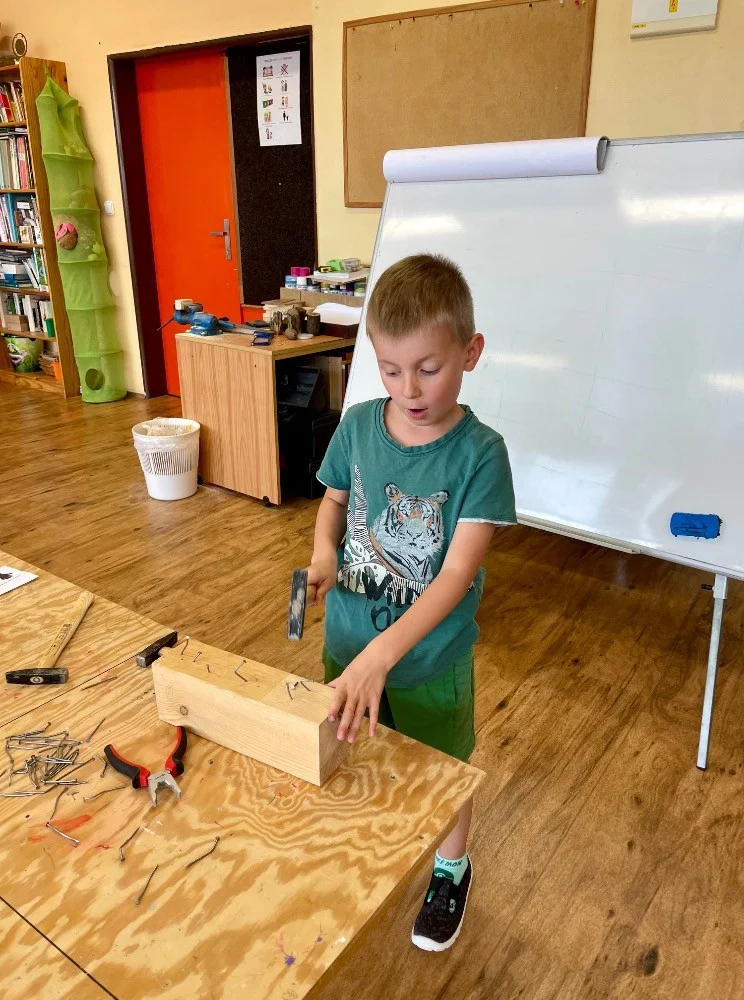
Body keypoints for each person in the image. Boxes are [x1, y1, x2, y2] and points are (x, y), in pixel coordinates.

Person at [306, 252, 516, 951]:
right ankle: (368, 838)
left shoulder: (481, 454)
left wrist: (383, 656)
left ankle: (451, 870)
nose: (409, 389)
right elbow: (334, 504)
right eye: (391, 370)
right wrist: (323, 554)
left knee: (442, 772)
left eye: (428, 368)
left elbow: (453, 577)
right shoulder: (359, 425)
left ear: (470, 353)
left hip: (427, 661)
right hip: (348, 642)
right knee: (357, 751)